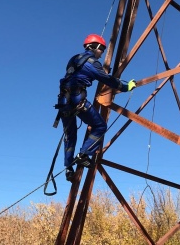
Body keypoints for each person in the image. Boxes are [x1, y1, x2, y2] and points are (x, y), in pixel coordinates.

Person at [56, 34, 136, 181]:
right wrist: (126, 87)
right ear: (95, 47)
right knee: (100, 126)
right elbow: (106, 79)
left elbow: (84, 74)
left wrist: (100, 70)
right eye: (102, 50)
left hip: (63, 102)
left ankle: (68, 167)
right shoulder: (92, 63)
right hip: (77, 100)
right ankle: (84, 154)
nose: (102, 53)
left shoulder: (74, 59)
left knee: (69, 135)